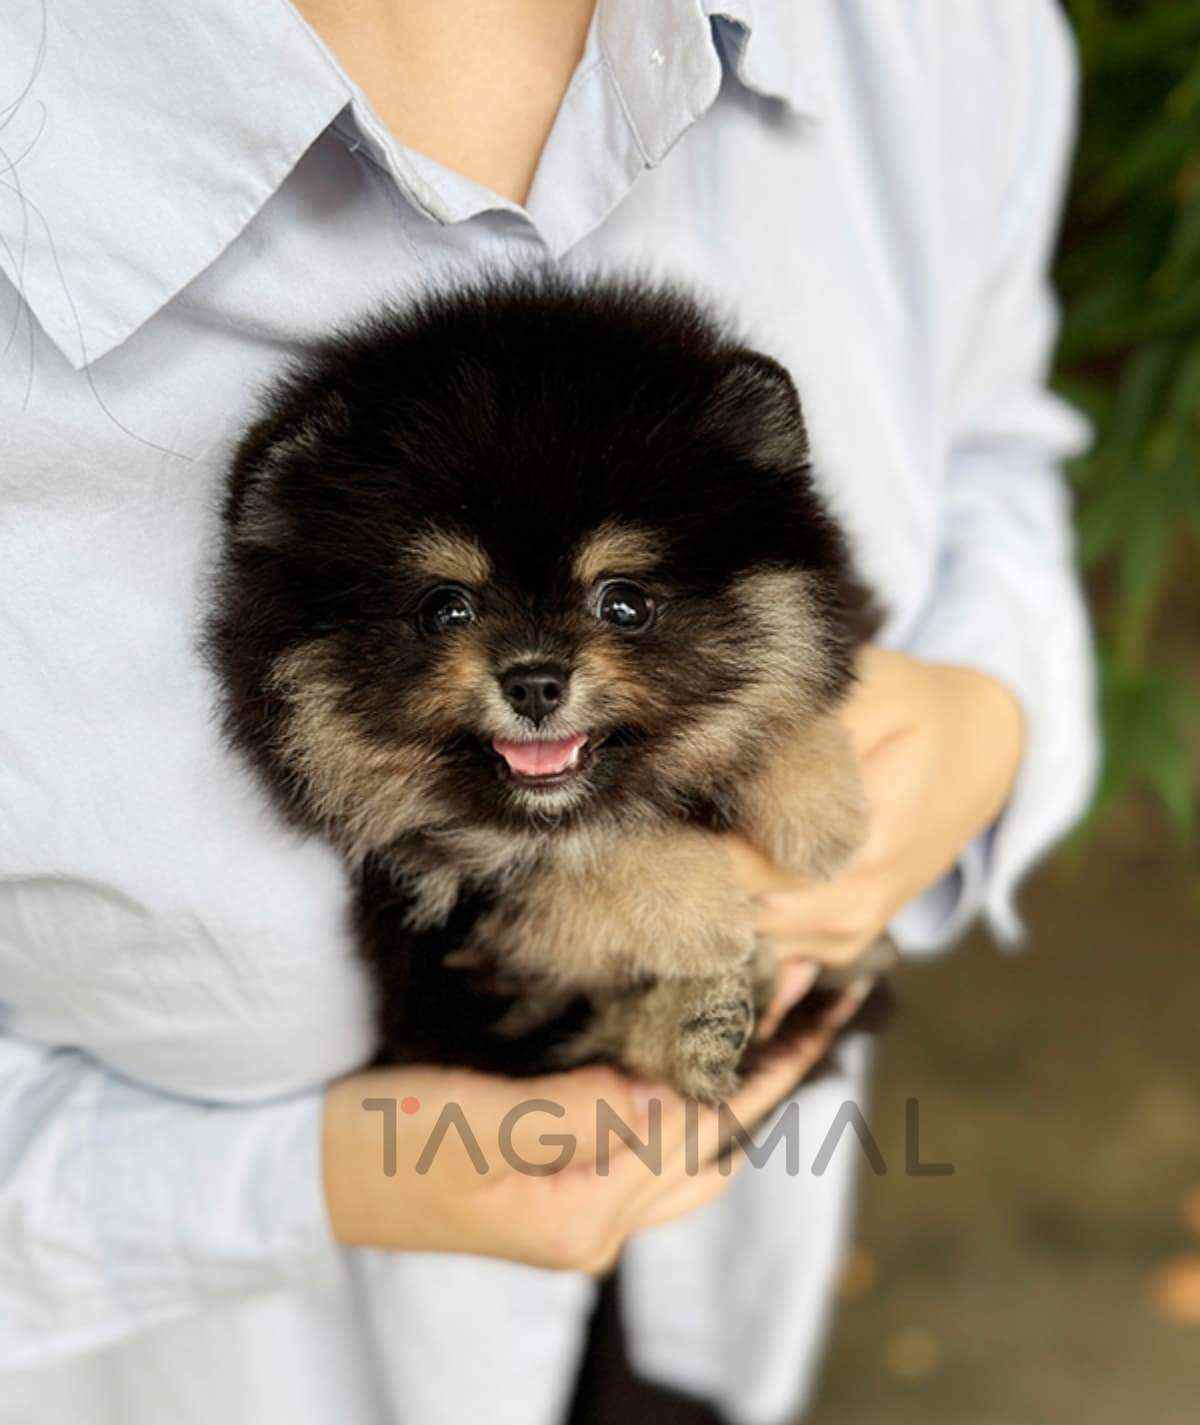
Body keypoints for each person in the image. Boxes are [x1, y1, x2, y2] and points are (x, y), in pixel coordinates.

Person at [0, 2, 1098, 1423]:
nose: (534, 666)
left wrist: (994, 709)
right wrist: (294, 1186)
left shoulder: (938, 33)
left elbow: (997, 444)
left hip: (722, 1292)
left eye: (622, 604)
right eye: (445, 611)